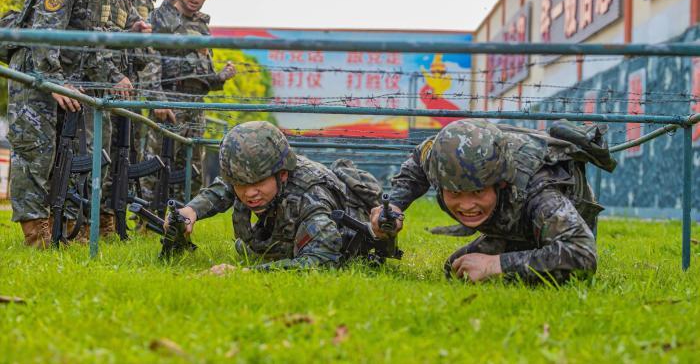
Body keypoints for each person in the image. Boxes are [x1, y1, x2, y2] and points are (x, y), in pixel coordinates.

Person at [7, 0, 151, 248]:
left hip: (73, 80)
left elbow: (94, 43)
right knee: (36, 152)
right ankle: (35, 234)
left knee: (79, 153)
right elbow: (43, 34)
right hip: (36, 74)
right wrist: (55, 80)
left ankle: (68, 225)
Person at [370, 119, 616, 284]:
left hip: (557, 221)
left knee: (560, 274)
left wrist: (497, 265)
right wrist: (395, 205)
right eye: (455, 193)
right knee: (456, 270)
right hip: (508, 215)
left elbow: (582, 255)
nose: (466, 205)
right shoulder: (441, 160)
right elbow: (418, 161)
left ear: (500, 183)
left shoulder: (541, 194)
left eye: (477, 192)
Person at [172, 121, 384, 270]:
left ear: (282, 175)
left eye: (257, 183)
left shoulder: (311, 198)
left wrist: (245, 273)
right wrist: (190, 211)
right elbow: (224, 188)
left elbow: (321, 261)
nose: (249, 193)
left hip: (337, 237)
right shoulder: (259, 174)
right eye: (241, 184)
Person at [148, 0, 235, 200]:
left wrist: (220, 77)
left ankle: (181, 218)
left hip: (195, 104)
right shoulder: (162, 15)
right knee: (155, 165)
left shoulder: (201, 26)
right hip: (168, 100)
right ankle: (145, 220)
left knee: (191, 170)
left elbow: (202, 73)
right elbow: (149, 59)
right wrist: (158, 99)